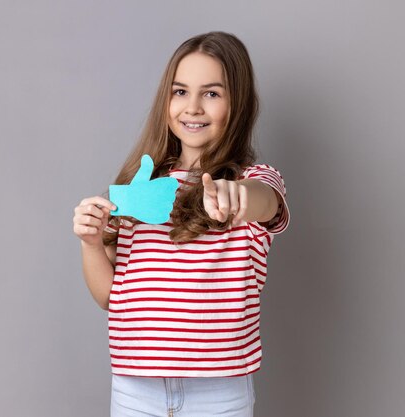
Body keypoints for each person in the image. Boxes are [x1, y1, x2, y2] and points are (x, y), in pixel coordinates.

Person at [73, 31, 290, 417]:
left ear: (237, 103)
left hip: (219, 390)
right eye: (180, 92)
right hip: (135, 388)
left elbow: (266, 202)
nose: (192, 107)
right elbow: (111, 297)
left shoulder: (254, 179)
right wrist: (91, 242)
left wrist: (237, 195)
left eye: (211, 93)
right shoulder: (140, 188)